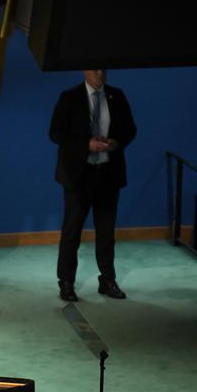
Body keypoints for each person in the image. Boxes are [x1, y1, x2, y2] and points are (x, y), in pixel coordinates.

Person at [49, 69, 137, 301]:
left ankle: (107, 280)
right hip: (79, 177)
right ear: (84, 71)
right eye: (95, 69)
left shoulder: (117, 96)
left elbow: (130, 129)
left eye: (103, 69)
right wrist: (85, 144)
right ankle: (66, 283)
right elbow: (56, 133)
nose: (100, 73)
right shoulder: (69, 97)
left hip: (108, 176)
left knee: (106, 233)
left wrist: (116, 142)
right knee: (71, 233)